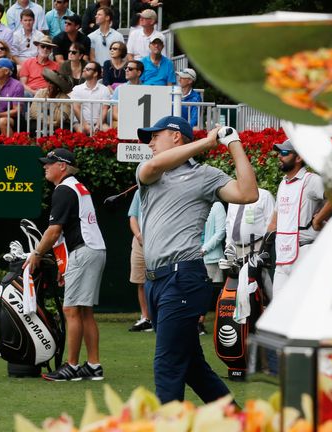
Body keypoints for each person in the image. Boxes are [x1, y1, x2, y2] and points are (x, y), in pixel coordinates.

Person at [136, 116, 257, 403]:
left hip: (183, 278)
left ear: (176, 136)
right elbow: (152, 166)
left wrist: (234, 143)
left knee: (168, 366)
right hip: (156, 282)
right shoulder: (150, 169)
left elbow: (248, 193)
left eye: (155, 135)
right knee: (192, 367)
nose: (150, 142)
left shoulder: (206, 175)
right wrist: (207, 141)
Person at [25, 148, 107, 382]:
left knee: (71, 310)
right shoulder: (76, 186)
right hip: (93, 250)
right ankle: (93, 366)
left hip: (84, 251)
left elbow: (54, 231)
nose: (45, 167)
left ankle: (71, 367)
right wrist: (64, 266)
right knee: (84, 311)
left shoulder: (63, 189)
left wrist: (37, 253)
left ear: (62, 166)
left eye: (49, 163)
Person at [267, 140, 332, 297]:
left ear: (298, 158)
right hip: (283, 255)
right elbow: (275, 220)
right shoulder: (283, 183)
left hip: (305, 251)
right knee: (279, 306)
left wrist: (318, 220)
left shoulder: (311, 180)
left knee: (302, 306)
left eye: (284, 153)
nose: (279, 157)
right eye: (279, 153)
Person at [198, 200, 226, 335]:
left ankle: (200, 323)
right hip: (192, 256)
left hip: (211, 258)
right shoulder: (195, 204)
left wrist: (204, 249)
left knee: (207, 292)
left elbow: (220, 232)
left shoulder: (217, 206)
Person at [126, 191, 152, 332]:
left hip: (160, 241)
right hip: (139, 241)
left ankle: (160, 317)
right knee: (140, 282)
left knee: (161, 280)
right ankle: (146, 318)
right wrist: (139, 236)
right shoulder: (139, 192)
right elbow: (133, 217)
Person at [225, 188, 275, 258]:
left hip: (256, 248)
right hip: (235, 250)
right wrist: (228, 244)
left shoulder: (264, 195)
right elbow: (228, 222)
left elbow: (271, 222)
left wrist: (264, 248)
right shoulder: (234, 197)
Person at [70, 61, 111, 134]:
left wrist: (98, 126)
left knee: (108, 130)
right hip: (80, 123)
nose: (84, 70)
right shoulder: (77, 88)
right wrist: (85, 125)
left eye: (88, 69)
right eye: (84, 68)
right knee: (81, 131)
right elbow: (76, 108)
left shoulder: (105, 89)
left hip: (98, 123)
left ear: (95, 73)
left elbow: (104, 110)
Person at [28, 69, 72, 134]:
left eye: (53, 83)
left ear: (58, 86)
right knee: (32, 125)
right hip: (45, 122)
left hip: (59, 124)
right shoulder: (40, 93)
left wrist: (51, 100)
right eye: (49, 82)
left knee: (65, 128)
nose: (49, 85)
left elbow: (61, 118)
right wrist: (49, 122)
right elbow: (33, 112)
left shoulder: (66, 98)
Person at [110, 59, 142, 127]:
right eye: (126, 68)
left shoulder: (146, 89)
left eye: (130, 69)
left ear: (138, 73)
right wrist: (127, 122)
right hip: (122, 122)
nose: (126, 70)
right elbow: (114, 112)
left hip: (141, 122)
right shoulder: (119, 89)